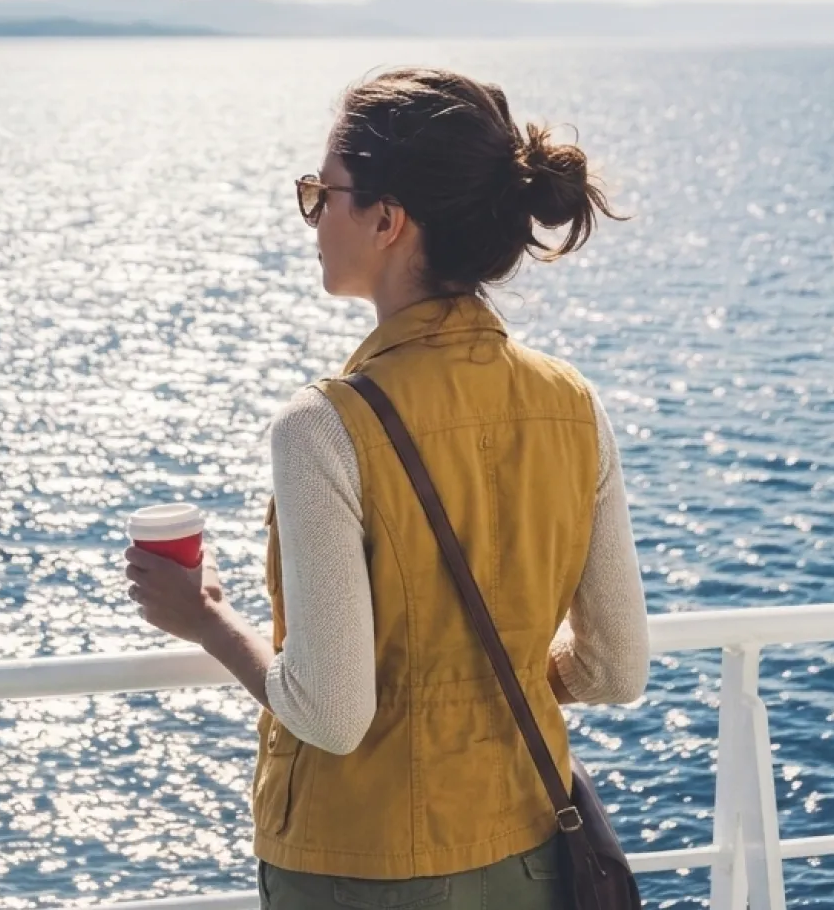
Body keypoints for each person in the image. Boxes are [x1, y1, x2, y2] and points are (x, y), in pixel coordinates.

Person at [124, 66, 651, 910]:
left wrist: (203, 618)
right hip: (526, 852)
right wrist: (479, 686)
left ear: (386, 219)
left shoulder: (325, 426)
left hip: (360, 869)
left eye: (320, 194)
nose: (311, 217)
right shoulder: (571, 405)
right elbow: (616, 669)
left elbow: (332, 716)